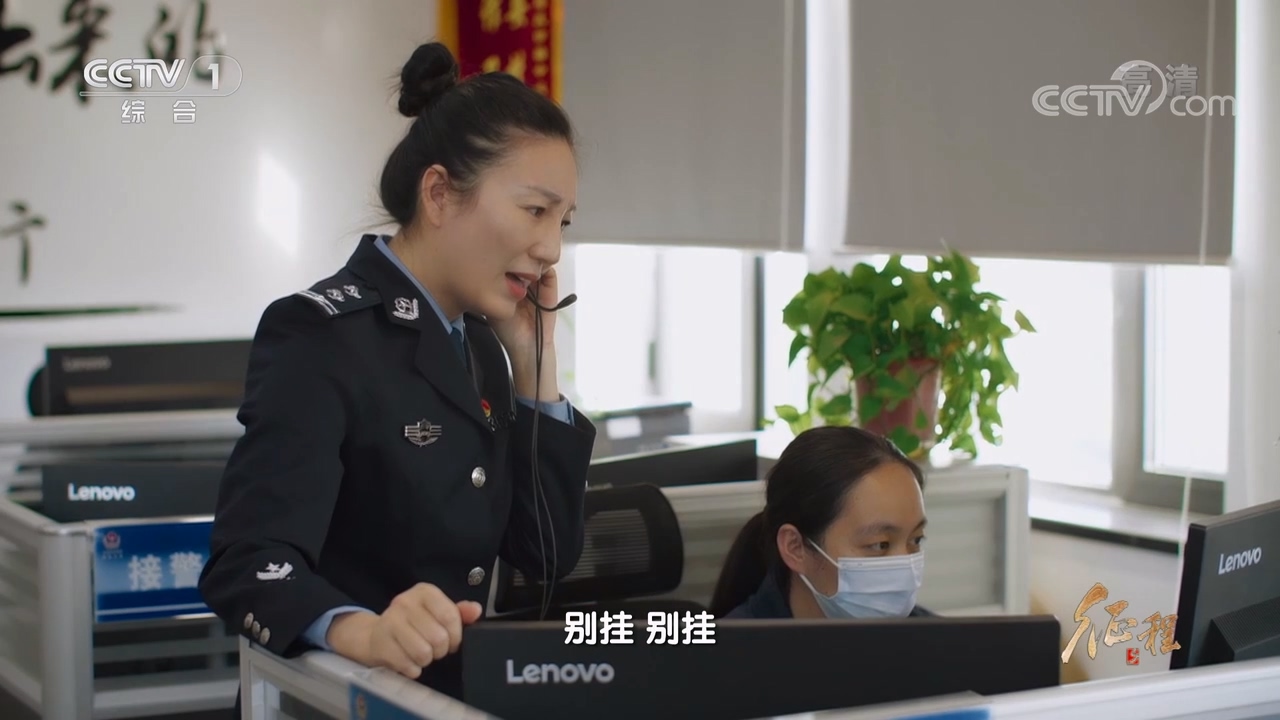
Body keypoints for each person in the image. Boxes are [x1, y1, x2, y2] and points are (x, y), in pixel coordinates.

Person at [197, 41, 596, 702]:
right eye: (535, 210)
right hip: (333, 702)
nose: (551, 247)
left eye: (563, 220)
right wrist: (360, 630)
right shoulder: (321, 334)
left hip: (447, 703)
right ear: (439, 194)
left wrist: (534, 365)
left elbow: (546, 555)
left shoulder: (481, 346)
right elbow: (248, 563)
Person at [708, 426, 930, 620]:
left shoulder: (938, 643)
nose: (906, 569)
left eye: (916, 540)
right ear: (795, 547)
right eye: (880, 544)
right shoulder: (729, 652)